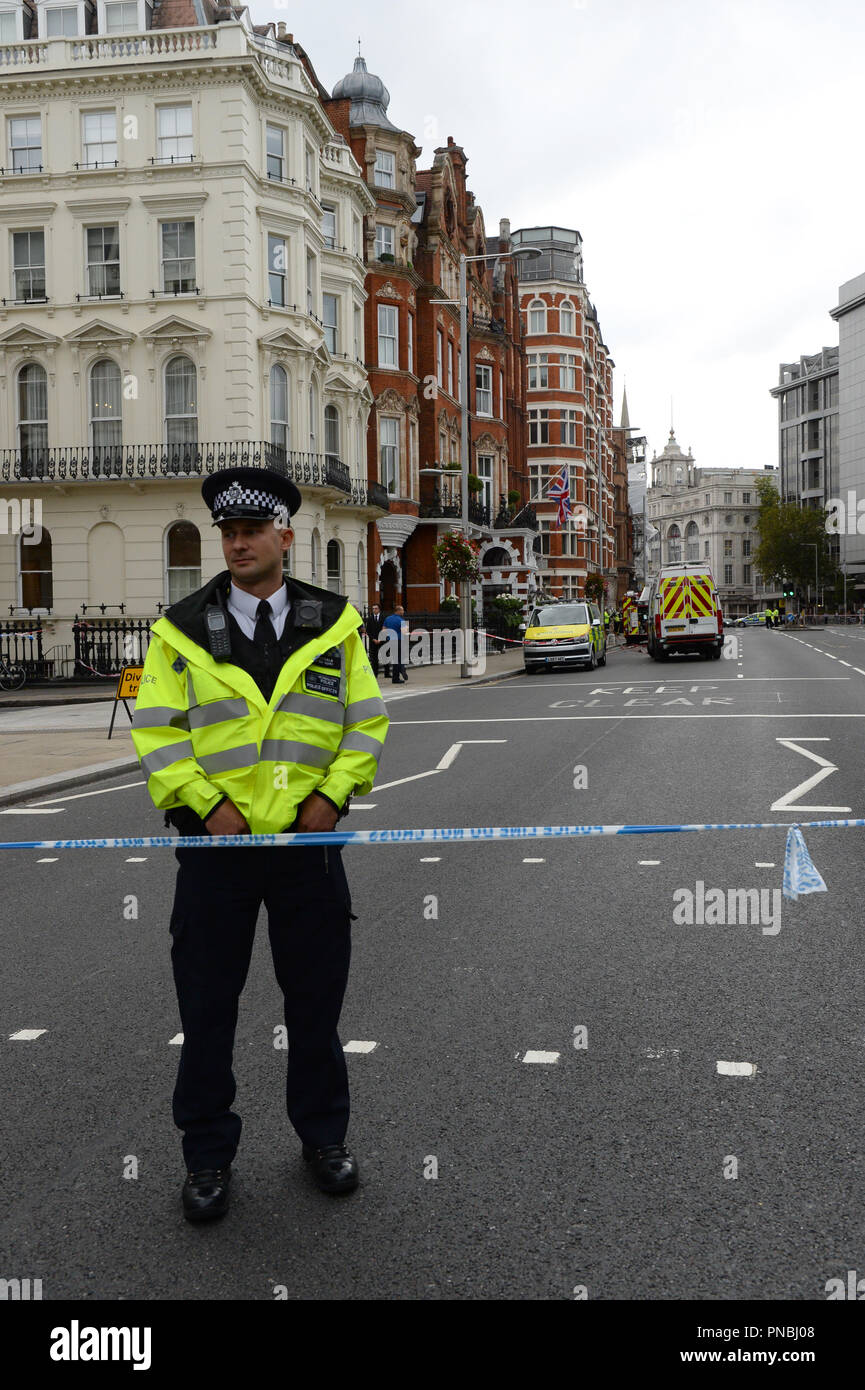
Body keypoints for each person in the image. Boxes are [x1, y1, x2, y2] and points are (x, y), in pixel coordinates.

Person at [130, 466, 389, 1222]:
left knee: (314, 1007)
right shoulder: (178, 629)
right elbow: (157, 734)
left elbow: (363, 722)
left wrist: (330, 797)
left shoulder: (336, 622)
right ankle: (206, 1157)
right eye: (228, 533)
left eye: (251, 531)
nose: (237, 543)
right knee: (207, 1011)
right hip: (217, 855)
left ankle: (323, 1141)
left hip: (307, 850)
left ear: (286, 536)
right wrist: (206, 809)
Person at [382, 604, 409, 684]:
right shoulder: (401, 620)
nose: (403, 612)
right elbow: (404, 632)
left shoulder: (388, 618)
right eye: (402, 610)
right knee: (399, 659)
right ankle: (400, 670)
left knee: (394, 660)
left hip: (390, 641)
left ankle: (395, 678)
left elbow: (383, 630)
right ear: (398, 611)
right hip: (399, 641)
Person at [364, 602, 385, 679]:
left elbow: (384, 629)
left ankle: (387, 672)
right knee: (374, 658)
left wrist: (380, 639)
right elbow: (368, 630)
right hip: (373, 641)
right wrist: (373, 639)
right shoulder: (370, 619)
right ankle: (375, 674)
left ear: (379, 609)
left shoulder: (383, 618)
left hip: (381, 640)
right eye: (373, 609)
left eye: (375, 608)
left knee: (384, 656)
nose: (374, 610)